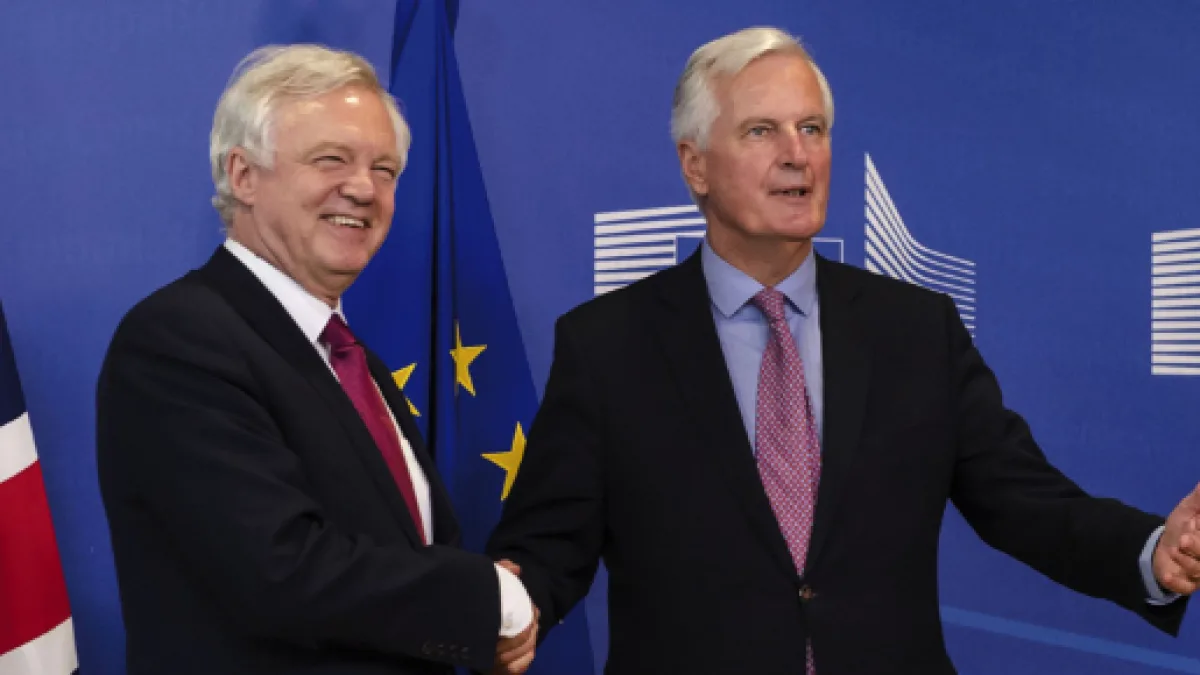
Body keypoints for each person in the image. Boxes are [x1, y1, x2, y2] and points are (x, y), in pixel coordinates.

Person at [486, 26, 1200, 674]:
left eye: (812, 128)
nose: (797, 154)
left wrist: (1151, 552)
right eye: (762, 130)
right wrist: (514, 605)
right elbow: (550, 544)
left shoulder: (917, 330)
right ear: (694, 165)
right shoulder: (607, 344)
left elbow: (1025, 501)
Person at [97, 44, 536, 675]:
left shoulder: (350, 357)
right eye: (331, 159)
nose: (363, 188)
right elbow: (279, 570)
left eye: (384, 169)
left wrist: (477, 612)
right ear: (243, 175)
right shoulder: (178, 339)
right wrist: (487, 599)